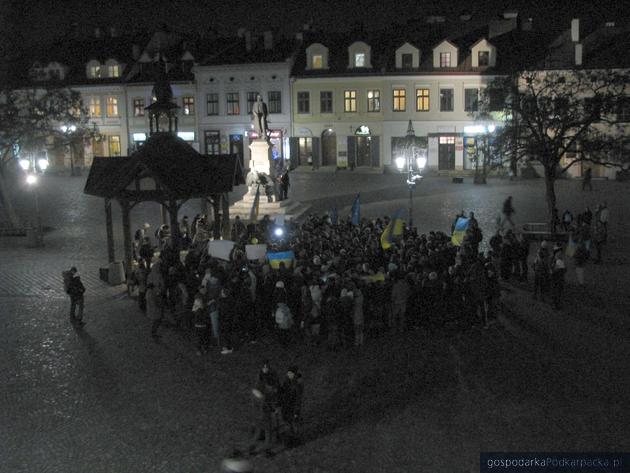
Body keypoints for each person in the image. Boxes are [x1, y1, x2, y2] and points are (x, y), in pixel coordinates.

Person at [279, 366, 304, 446]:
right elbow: (283, 392)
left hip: (292, 407)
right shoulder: (287, 382)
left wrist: (297, 411)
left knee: (294, 424)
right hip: (286, 406)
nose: (289, 375)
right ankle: (289, 439)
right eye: (288, 373)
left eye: (291, 373)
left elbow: (298, 399)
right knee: (287, 423)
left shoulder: (297, 385)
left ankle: (296, 439)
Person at [550, 245, 567, 310]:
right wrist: (556, 269)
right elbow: (550, 270)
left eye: (561, 252)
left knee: (559, 292)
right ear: (556, 252)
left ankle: (558, 303)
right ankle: (554, 304)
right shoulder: (552, 259)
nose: (560, 253)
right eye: (559, 252)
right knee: (554, 292)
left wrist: (564, 268)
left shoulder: (561, 260)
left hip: (561, 279)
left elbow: (565, 270)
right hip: (555, 279)